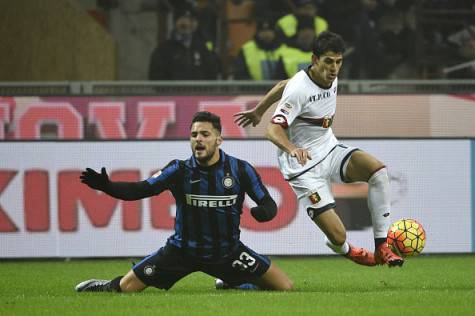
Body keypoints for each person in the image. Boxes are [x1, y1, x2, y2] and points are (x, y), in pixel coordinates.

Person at [233, 31, 404, 267]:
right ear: (315, 59)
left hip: (330, 149)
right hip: (303, 168)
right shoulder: (299, 89)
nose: (334, 68)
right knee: (338, 236)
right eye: (328, 61)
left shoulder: (327, 77)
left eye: (338, 61)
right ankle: (347, 250)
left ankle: (382, 246)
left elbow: (283, 84)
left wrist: (258, 110)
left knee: (378, 172)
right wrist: (291, 148)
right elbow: (272, 131)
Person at [75, 111, 294, 293]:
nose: (198, 138)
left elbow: (268, 203)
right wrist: (107, 186)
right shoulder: (179, 170)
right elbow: (139, 190)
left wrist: (264, 212)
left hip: (228, 252)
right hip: (181, 252)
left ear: (218, 139)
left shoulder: (240, 169)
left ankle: (235, 283)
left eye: (205, 134)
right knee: (126, 288)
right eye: (194, 134)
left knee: (284, 287)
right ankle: (104, 286)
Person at [148, 8, 221, 80]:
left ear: (196, 24)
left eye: (191, 20)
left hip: (200, 91)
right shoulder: (163, 49)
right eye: (182, 20)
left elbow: (213, 72)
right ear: (175, 23)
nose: (186, 23)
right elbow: (156, 76)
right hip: (173, 91)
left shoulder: (205, 48)